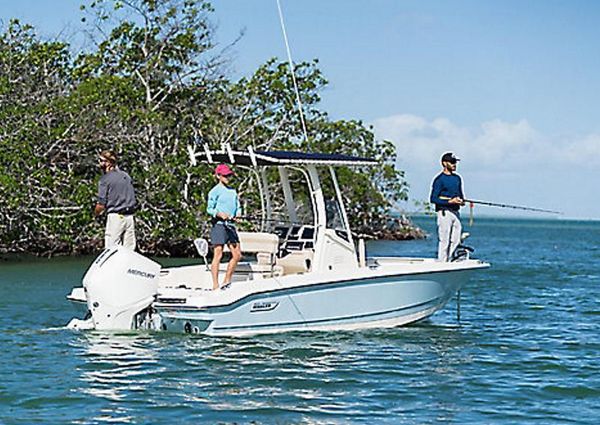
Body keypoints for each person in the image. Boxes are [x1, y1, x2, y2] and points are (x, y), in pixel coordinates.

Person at [207, 164, 242, 290]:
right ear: (218, 176)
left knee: (237, 254)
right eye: (225, 175)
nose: (228, 177)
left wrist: (238, 214)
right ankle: (215, 285)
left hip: (231, 226)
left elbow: (238, 207)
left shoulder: (233, 191)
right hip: (219, 225)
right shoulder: (214, 191)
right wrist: (219, 214)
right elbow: (209, 209)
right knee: (218, 254)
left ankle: (227, 280)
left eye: (229, 175)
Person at [95, 149, 137, 250]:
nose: (99, 163)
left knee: (112, 248)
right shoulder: (126, 176)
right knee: (129, 250)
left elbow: (101, 204)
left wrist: (96, 214)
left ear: (108, 163)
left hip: (116, 218)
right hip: (130, 217)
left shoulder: (104, 180)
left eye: (101, 160)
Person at [430, 152, 465, 262]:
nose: (454, 164)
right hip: (444, 213)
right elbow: (433, 199)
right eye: (452, 162)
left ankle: (449, 259)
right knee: (444, 240)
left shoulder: (457, 178)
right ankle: (442, 261)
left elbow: (460, 195)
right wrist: (450, 201)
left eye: (455, 162)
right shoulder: (439, 180)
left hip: (455, 213)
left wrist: (461, 201)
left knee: (456, 239)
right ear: (444, 163)